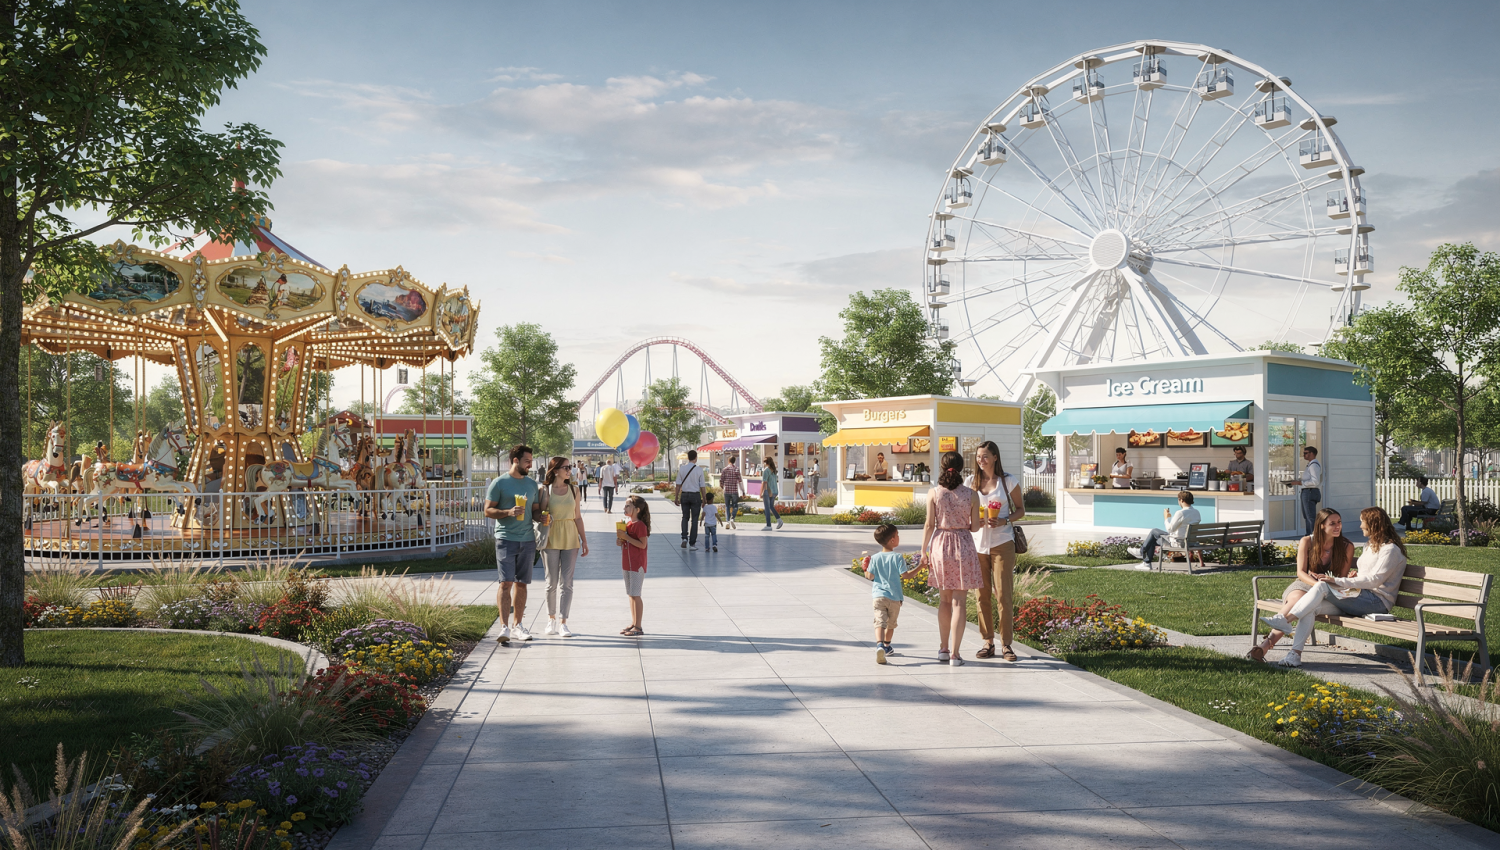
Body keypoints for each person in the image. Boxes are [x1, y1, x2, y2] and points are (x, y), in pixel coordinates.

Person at [1260, 507, 1406, 667]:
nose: (1360, 526)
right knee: (1311, 608)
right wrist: (1354, 577)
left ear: (1373, 524)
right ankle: (1295, 655)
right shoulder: (1370, 545)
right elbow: (1369, 575)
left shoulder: (1390, 550)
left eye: (1362, 522)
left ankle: (1286, 620)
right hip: (1358, 596)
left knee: (1323, 585)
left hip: (1376, 602)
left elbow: (1375, 580)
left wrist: (1337, 581)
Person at [1246, 507, 1354, 662]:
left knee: (1304, 602)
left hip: (1330, 590)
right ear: (1321, 525)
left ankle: (1267, 643)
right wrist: (1317, 584)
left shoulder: (1346, 546)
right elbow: (1301, 573)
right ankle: (1273, 635)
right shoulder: (1307, 541)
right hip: (1304, 584)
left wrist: (1325, 584)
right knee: (1298, 598)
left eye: (1339, 522)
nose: (1338, 526)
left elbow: (1341, 578)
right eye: (1332, 523)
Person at [921, 450, 984, 666]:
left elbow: (929, 525)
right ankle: (956, 655)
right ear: (961, 467)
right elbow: (974, 527)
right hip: (963, 544)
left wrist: (923, 550)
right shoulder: (971, 494)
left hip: (940, 545)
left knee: (944, 600)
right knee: (959, 602)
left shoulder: (934, 493)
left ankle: (943, 648)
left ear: (942, 466)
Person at [969, 440, 1024, 662]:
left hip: (1003, 542)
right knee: (981, 595)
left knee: (1003, 595)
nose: (980, 460)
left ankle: (1006, 644)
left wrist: (1004, 520)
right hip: (977, 545)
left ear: (995, 457)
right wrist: (975, 521)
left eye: (985, 456)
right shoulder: (970, 482)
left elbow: (1021, 510)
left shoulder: (1007, 481)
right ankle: (988, 642)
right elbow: (965, 511)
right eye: (978, 456)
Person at [483, 444, 541, 644]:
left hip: (527, 539)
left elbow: (534, 511)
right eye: (527, 461)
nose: (530, 465)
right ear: (515, 460)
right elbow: (488, 510)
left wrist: (541, 517)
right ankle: (504, 627)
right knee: (505, 583)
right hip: (506, 539)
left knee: (522, 584)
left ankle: (518, 626)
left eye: (531, 461)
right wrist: (508, 512)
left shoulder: (531, 485)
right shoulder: (499, 483)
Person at [539, 456, 589, 638]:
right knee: (551, 582)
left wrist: (584, 540)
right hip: (551, 537)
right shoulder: (545, 491)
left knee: (567, 583)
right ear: (555, 470)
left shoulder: (574, 490)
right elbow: (539, 515)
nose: (569, 470)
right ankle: (551, 619)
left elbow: (578, 517)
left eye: (570, 467)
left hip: (570, 538)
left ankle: (563, 622)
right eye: (566, 467)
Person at [863, 523, 921, 665]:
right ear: (892, 540)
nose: (899, 537)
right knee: (891, 624)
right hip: (894, 598)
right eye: (897, 535)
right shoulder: (898, 557)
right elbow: (906, 576)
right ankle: (887, 646)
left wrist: (865, 568)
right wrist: (921, 566)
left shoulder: (875, 558)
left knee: (879, 621)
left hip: (878, 596)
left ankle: (879, 645)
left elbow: (869, 576)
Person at [1126, 490, 1200, 570]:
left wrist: (1166, 518)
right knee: (1152, 538)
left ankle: (1142, 553)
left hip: (1178, 542)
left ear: (1181, 500)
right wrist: (1171, 518)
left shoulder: (1180, 513)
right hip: (1191, 542)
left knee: (1154, 532)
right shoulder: (1196, 512)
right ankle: (1145, 560)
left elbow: (1170, 529)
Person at [616, 494, 651, 636]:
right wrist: (620, 540)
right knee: (631, 594)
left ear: (637, 509)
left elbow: (642, 545)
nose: (624, 508)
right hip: (627, 564)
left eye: (628, 506)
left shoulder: (640, 526)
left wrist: (626, 537)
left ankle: (638, 626)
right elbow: (626, 542)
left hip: (637, 565)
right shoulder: (628, 524)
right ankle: (634, 622)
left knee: (636, 594)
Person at [1282, 446, 1322, 534]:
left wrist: (1299, 483)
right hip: (1308, 491)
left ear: (1312, 453)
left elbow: (1315, 482)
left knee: (1310, 516)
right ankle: (1309, 534)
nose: (1304, 455)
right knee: (1307, 516)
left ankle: (1313, 535)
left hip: (1310, 491)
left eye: (1305, 453)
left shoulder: (1313, 465)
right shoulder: (1310, 464)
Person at [674, 449, 705, 550]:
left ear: (688, 458)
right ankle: (692, 543)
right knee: (694, 520)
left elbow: (678, 485)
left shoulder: (682, 469)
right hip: (695, 495)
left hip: (684, 495)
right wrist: (704, 499)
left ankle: (684, 538)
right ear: (696, 458)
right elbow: (702, 486)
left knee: (685, 517)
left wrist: (676, 497)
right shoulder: (699, 470)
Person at [719, 456, 743, 529]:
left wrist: (722, 487)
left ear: (728, 461)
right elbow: (740, 481)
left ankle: (727, 521)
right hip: (734, 491)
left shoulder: (725, 469)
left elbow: (721, 481)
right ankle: (732, 518)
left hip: (727, 491)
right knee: (735, 506)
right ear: (734, 461)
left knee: (727, 506)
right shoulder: (736, 469)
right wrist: (742, 491)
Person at [760, 457, 783, 530]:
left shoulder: (766, 470)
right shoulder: (773, 471)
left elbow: (764, 482)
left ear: (766, 463)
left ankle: (768, 525)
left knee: (767, 508)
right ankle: (779, 520)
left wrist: (762, 492)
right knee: (771, 506)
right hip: (774, 490)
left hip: (768, 491)